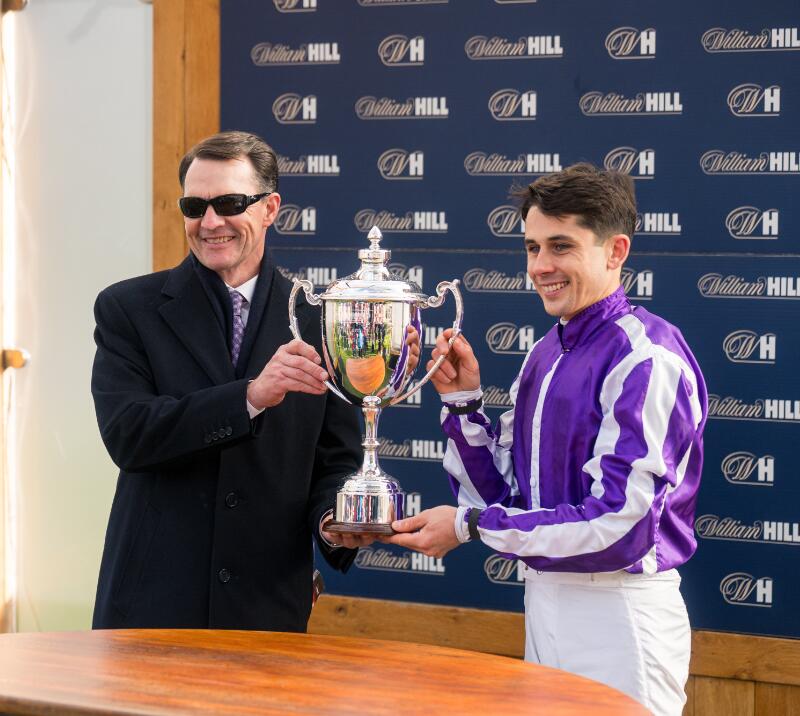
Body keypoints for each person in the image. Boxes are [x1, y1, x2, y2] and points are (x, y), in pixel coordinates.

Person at [384, 164, 707, 715]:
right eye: (532, 248)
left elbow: (619, 526)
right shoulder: (544, 354)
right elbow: (505, 498)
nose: (540, 266)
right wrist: (463, 405)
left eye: (561, 246)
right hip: (542, 602)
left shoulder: (647, 357)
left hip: (622, 617)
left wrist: (468, 526)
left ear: (616, 251)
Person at [91, 130, 374, 632]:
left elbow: (336, 461)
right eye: (195, 206)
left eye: (229, 203)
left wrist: (332, 522)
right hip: (153, 607)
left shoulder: (321, 321)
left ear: (270, 209)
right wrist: (249, 397)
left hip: (267, 608)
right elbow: (129, 435)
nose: (210, 222)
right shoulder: (128, 308)